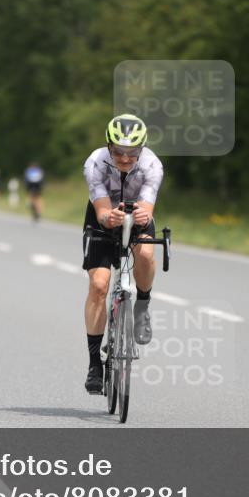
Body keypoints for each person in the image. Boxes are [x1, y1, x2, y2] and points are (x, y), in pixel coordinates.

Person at [81, 114, 163, 394]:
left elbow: (148, 208)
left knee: (146, 256)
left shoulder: (152, 164)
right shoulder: (95, 162)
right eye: (119, 152)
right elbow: (102, 209)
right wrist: (108, 217)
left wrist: (141, 214)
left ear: (143, 149)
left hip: (137, 216)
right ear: (108, 146)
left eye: (133, 153)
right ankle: (95, 364)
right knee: (99, 285)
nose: (126, 159)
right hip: (103, 218)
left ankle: (142, 305)